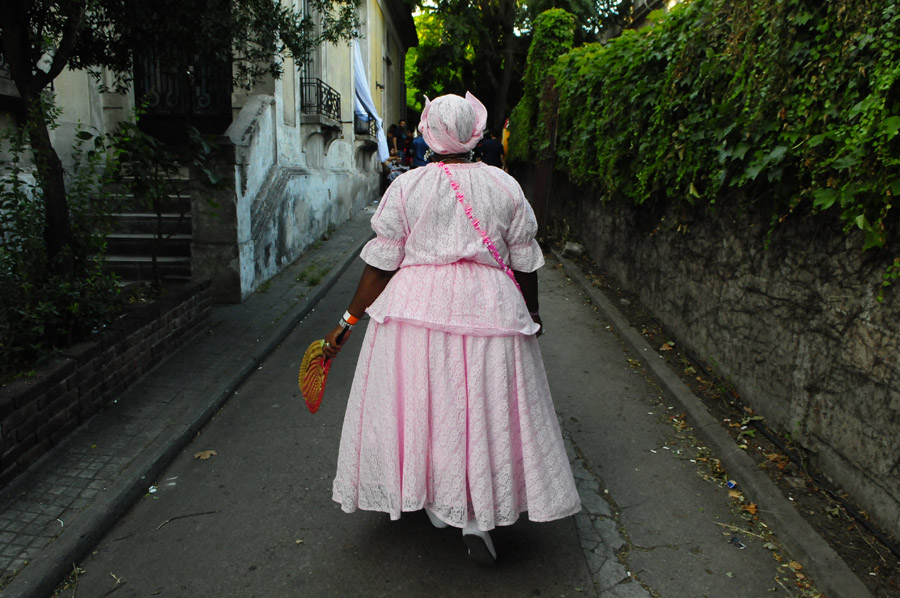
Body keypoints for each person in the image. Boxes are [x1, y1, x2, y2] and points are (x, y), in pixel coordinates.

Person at [323, 92, 580, 564]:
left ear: (427, 132)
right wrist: (532, 311)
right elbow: (524, 261)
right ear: (474, 133)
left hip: (415, 310)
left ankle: (437, 501)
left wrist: (347, 321)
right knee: (482, 409)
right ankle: (475, 517)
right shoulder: (504, 186)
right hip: (491, 308)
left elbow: (382, 263)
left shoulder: (407, 187)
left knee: (427, 409)